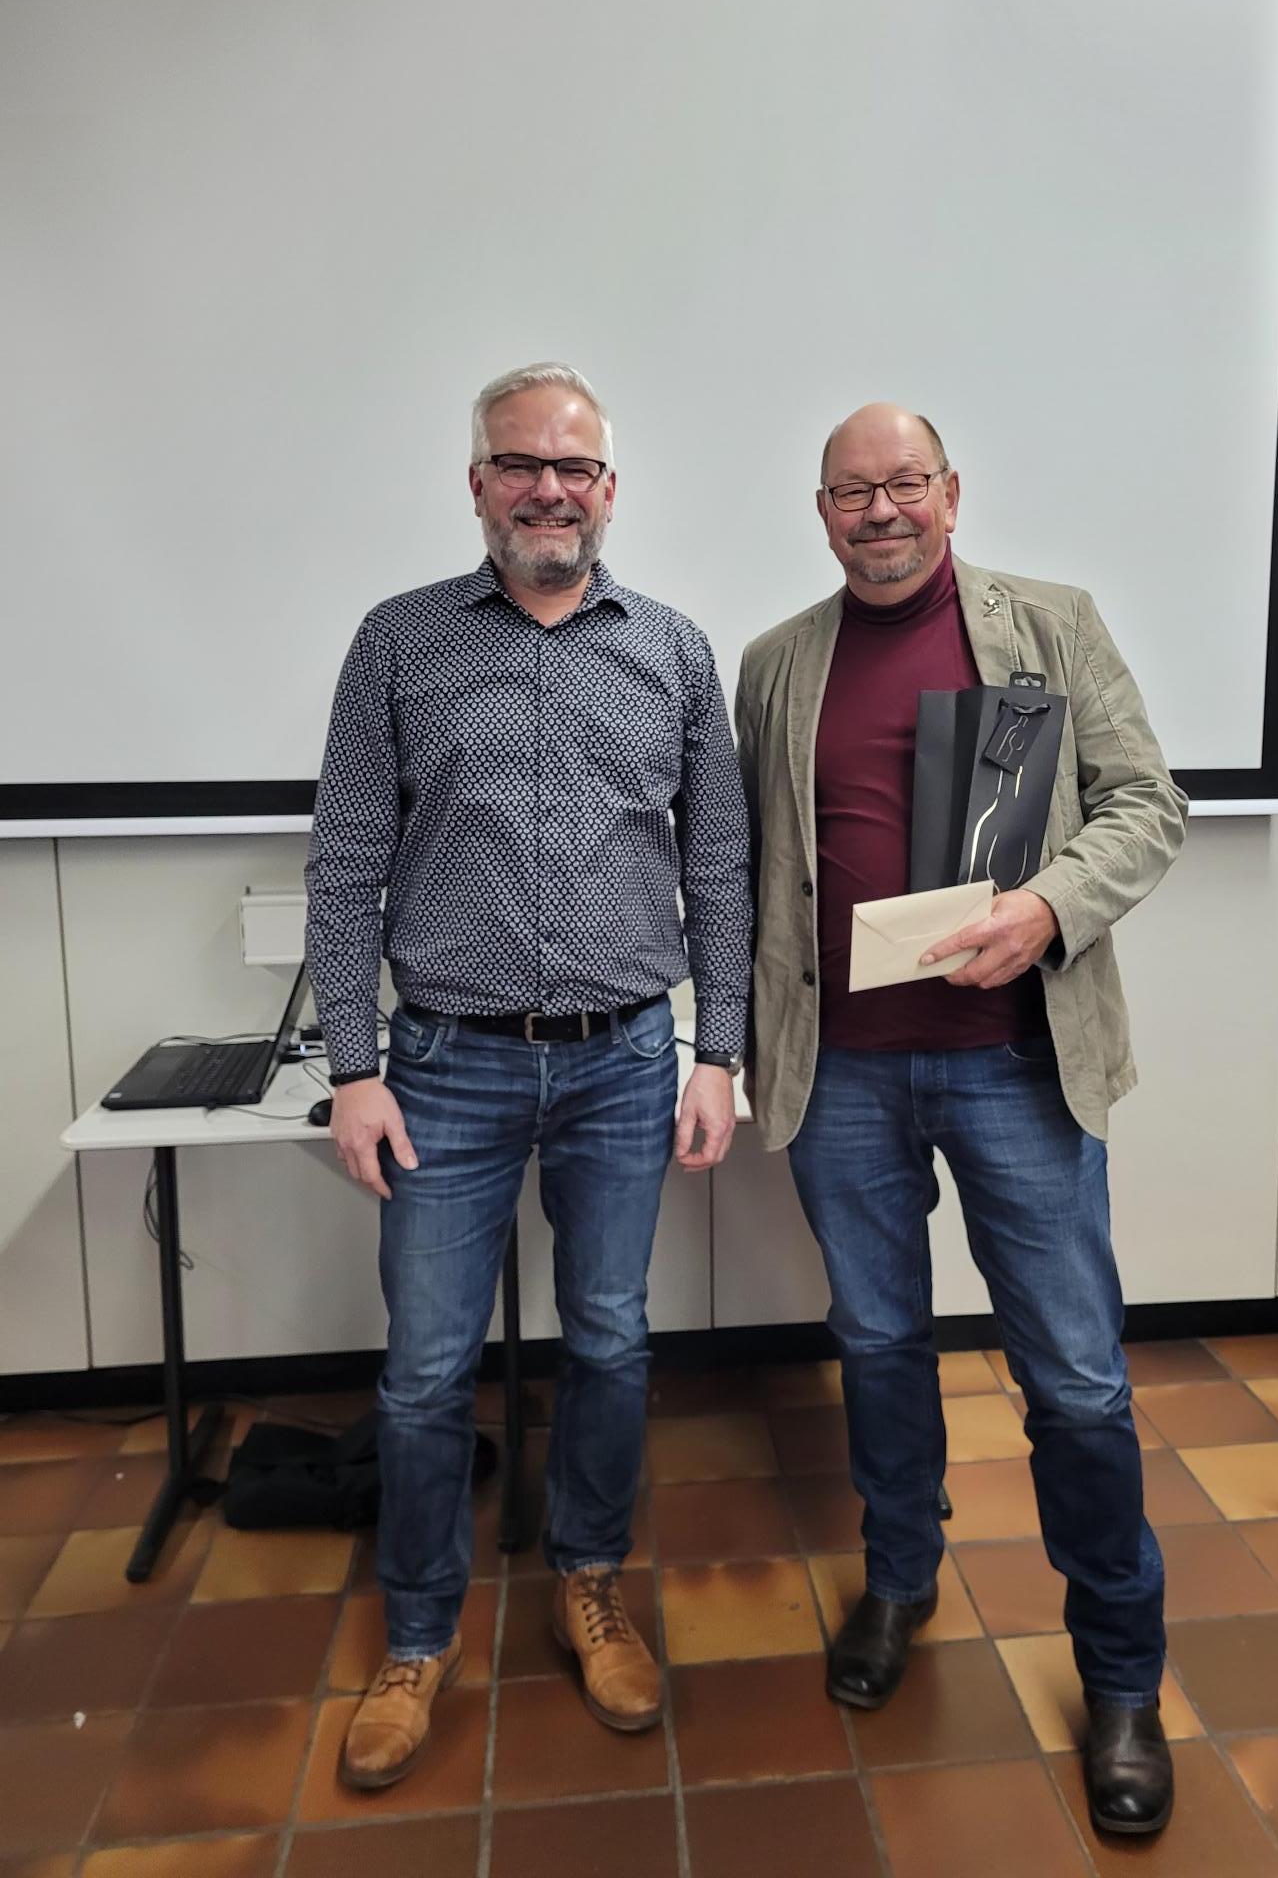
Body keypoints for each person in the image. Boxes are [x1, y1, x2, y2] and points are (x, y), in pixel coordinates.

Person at [733, 402, 1186, 1836]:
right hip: (844, 1077)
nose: (881, 510)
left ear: (949, 493)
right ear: (821, 514)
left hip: (1014, 1066)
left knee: (1075, 1382)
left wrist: (1049, 905)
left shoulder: (1050, 625)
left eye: (904, 483)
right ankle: (902, 1580)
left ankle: (1121, 1680)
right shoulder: (775, 665)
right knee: (877, 1348)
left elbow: (1147, 806)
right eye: (851, 491)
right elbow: (752, 871)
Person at [305, 362, 750, 1788]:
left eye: (573, 467)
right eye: (518, 463)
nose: (546, 488)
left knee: (611, 1342)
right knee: (427, 1371)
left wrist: (719, 1048)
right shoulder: (397, 643)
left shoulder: (676, 650)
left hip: (627, 1060)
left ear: (610, 490)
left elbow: (722, 866)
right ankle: (422, 1632)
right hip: (443, 1066)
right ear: (479, 482)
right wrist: (354, 1068)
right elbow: (348, 864)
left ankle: (590, 1578)